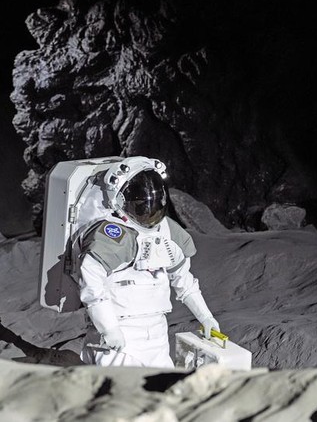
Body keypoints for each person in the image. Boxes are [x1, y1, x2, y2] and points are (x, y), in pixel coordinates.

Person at [78, 157, 220, 367]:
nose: (148, 213)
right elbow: (92, 285)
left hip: (157, 333)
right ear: (120, 202)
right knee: (122, 395)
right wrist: (109, 329)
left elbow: (184, 281)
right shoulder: (112, 235)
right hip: (120, 335)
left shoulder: (168, 232)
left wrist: (206, 317)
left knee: (161, 392)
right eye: (141, 207)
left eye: (153, 206)